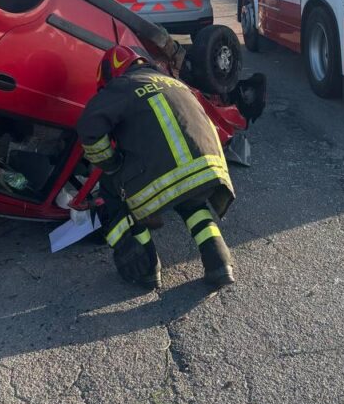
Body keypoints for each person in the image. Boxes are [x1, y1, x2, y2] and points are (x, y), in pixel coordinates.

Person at [77, 45, 236, 290]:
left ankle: (146, 269)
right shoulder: (175, 83)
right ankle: (219, 264)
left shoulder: (121, 86)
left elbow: (89, 126)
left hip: (164, 175)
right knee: (193, 205)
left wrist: (110, 163)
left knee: (111, 192)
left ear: (111, 75)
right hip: (209, 169)